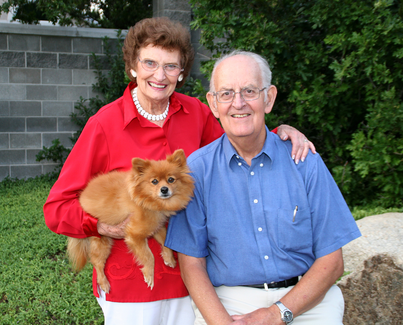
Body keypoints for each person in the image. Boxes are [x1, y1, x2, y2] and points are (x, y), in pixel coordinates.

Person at [43, 18, 315, 325]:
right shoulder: (104, 125)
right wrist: (104, 227)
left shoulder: (196, 113)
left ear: (182, 73)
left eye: (171, 66)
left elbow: (239, 148)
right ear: (133, 66)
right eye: (150, 63)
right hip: (132, 287)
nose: (160, 75)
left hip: (194, 280)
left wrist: (280, 132)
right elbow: (57, 209)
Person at [165, 50, 362, 325]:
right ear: (213, 104)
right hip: (230, 302)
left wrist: (276, 313)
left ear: (268, 98)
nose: (238, 103)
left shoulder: (304, 161)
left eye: (249, 91)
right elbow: (192, 265)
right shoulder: (196, 172)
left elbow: (332, 261)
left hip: (306, 300)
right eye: (226, 94)